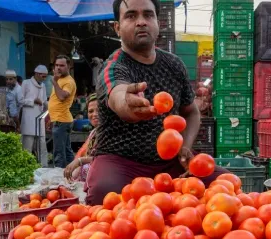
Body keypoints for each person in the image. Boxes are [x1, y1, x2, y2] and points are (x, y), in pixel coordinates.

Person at [85, 0, 228, 205]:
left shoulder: (174, 64)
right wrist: (126, 103)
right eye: (131, 16)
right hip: (121, 162)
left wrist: (185, 147)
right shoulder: (114, 67)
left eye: (148, 15)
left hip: (170, 162)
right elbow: (117, 94)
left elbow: (192, 112)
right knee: (104, 196)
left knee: (224, 185)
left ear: (158, 23)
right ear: (117, 27)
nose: (141, 22)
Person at [49, 55, 77, 168]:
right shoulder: (60, 79)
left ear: (68, 66)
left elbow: (61, 97)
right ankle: (72, 174)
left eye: (62, 65)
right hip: (59, 119)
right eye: (56, 65)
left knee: (59, 153)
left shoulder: (69, 82)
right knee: (66, 150)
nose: (58, 68)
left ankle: (59, 177)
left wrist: (54, 82)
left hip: (62, 120)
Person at [64, 93, 99, 181]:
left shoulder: (109, 132)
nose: (94, 114)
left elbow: (104, 159)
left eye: (99, 110)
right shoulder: (94, 132)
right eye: (91, 111)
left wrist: (80, 161)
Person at [21, 65, 49, 166]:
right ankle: (25, 168)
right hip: (28, 120)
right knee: (27, 148)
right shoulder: (26, 83)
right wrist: (33, 101)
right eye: (43, 76)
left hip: (40, 118)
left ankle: (44, 168)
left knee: (42, 147)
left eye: (46, 76)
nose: (45, 79)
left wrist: (50, 107)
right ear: (37, 74)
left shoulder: (43, 86)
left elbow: (45, 100)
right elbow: (20, 100)